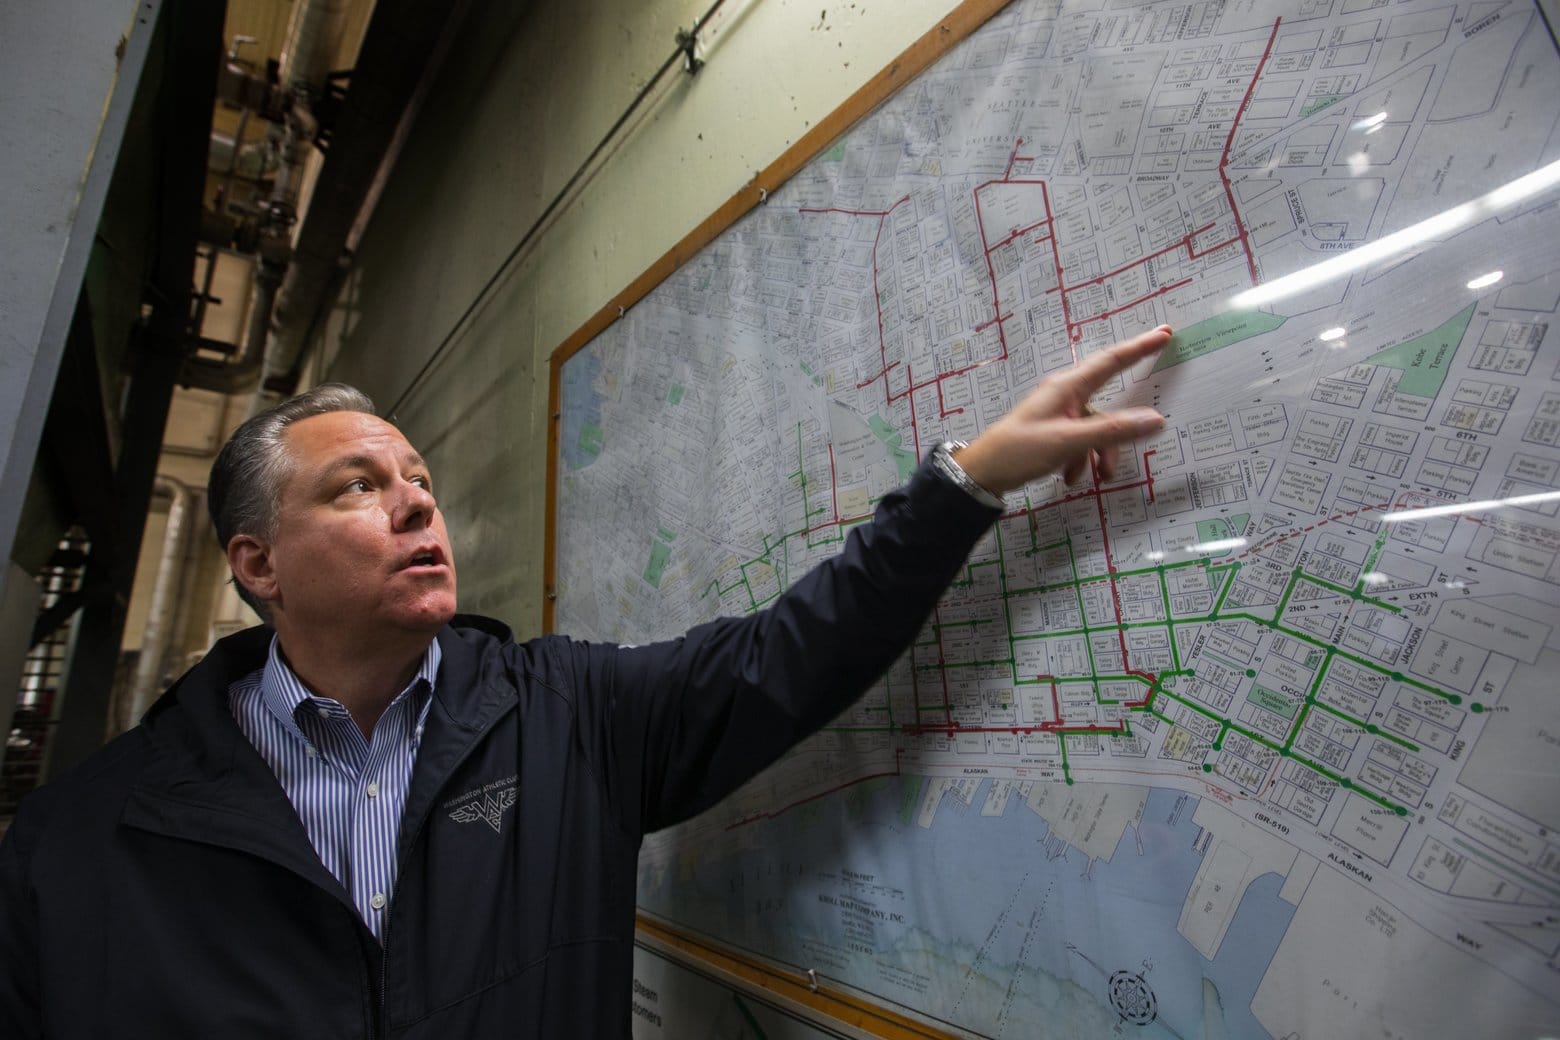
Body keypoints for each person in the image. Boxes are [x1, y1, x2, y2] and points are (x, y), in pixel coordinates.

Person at [0, 326, 1171, 1037]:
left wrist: (964, 482)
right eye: (356, 486)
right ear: (257, 565)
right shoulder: (81, 844)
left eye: (419, 476)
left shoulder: (564, 717)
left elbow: (788, 652)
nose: (416, 499)